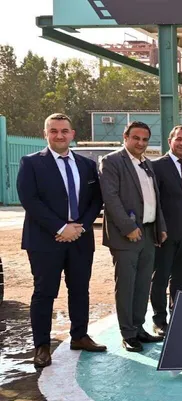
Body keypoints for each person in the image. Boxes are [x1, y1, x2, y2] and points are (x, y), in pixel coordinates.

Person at [18, 113, 105, 368]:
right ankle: (42, 346)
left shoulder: (86, 165)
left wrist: (81, 227)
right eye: (54, 131)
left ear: (72, 134)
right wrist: (60, 227)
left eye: (64, 131)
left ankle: (79, 336)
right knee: (44, 292)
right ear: (45, 134)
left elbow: (96, 200)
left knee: (79, 289)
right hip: (45, 239)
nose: (59, 135)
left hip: (80, 237)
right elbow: (30, 200)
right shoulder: (31, 163)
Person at [99, 121, 167, 352]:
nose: (140, 143)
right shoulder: (112, 161)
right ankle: (127, 333)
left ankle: (138, 328)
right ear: (125, 137)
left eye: (145, 139)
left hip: (148, 232)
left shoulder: (147, 163)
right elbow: (111, 198)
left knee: (142, 284)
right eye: (136, 138)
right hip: (126, 235)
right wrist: (128, 227)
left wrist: (160, 226)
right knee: (127, 285)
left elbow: (154, 199)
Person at [149, 126, 182, 336]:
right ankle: (159, 320)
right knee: (161, 277)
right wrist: (159, 229)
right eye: (178, 139)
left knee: (180, 277)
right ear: (170, 140)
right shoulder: (157, 166)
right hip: (165, 233)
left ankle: (177, 316)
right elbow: (154, 202)